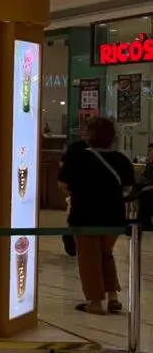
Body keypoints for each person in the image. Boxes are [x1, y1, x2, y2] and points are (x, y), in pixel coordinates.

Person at [59, 116, 134, 314]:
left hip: (85, 216)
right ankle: (113, 297)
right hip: (114, 217)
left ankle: (95, 302)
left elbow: (63, 184)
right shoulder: (121, 160)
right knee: (105, 253)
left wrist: (81, 194)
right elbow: (127, 189)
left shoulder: (77, 158)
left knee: (89, 258)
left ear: (89, 135)